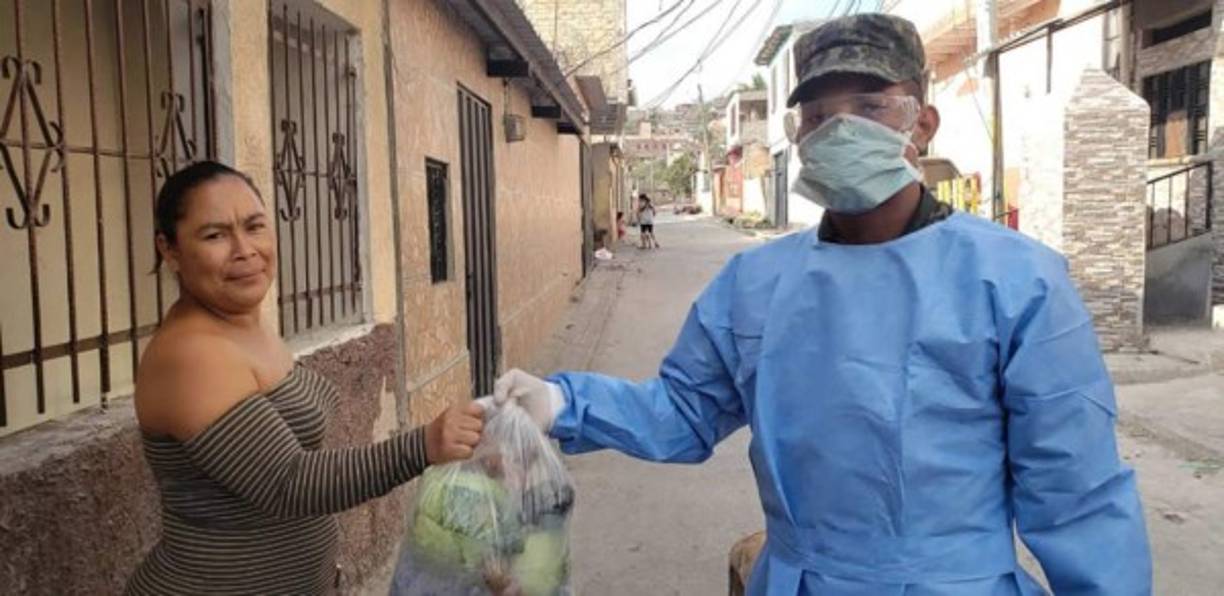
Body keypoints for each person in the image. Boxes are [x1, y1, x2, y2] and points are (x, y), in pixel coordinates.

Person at [490, 14, 1152, 596]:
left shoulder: (1016, 282)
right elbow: (685, 412)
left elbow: (1076, 495)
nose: (839, 129)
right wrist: (565, 404)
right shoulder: (755, 284)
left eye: (868, 106)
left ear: (921, 122)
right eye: (816, 116)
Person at [126, 161, 485, 595]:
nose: (245, 249)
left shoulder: (242, 323)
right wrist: (423, 445)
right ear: (170, 249)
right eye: (215, 235)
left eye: (255, 226)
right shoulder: (190, 354)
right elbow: (288, 482)